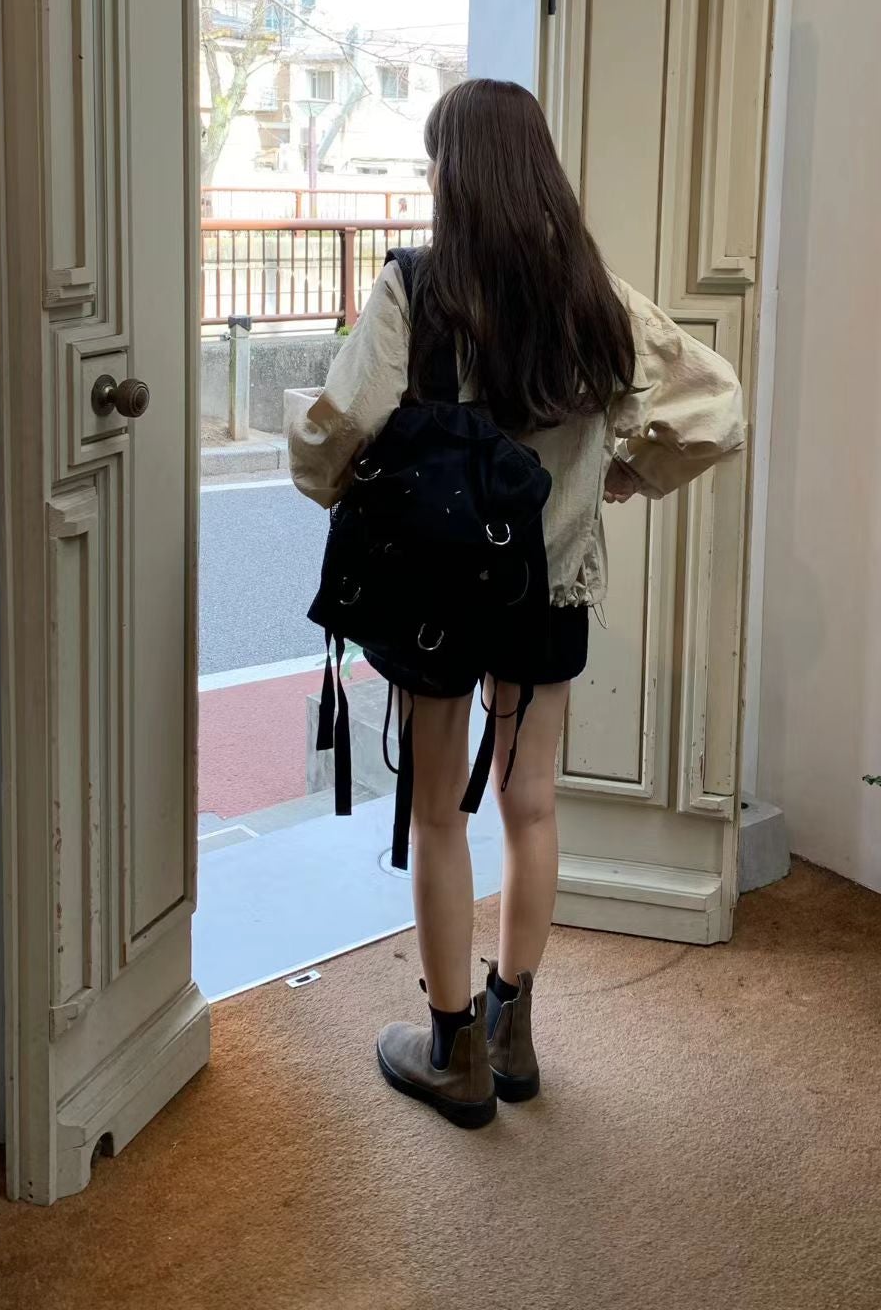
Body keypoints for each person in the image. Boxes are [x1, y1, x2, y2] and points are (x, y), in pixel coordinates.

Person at [289, 78, 745, 1126]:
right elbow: (715, 408)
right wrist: (626, 475)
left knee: (437, 812)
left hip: (436, 595)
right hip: (549, 584)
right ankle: (513, 1031)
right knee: (530, 805)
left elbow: (340, 426)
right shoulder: (593, 297)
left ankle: (451, 1051)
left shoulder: (417, 288)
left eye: (432, 157)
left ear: (455, 172)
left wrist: (323, 476)